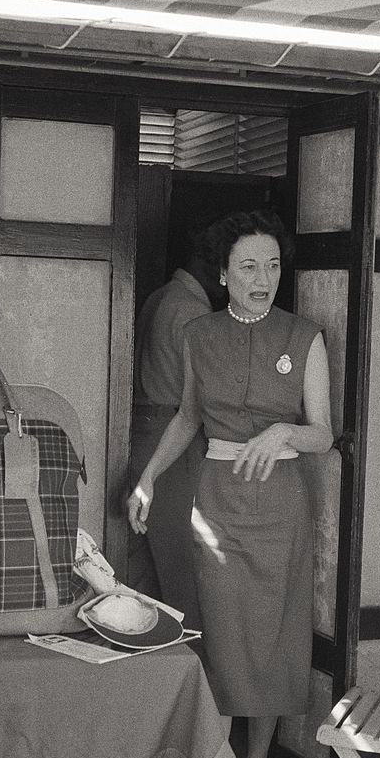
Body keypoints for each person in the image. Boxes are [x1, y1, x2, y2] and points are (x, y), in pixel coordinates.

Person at [127, 209, 333, 758]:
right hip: (215, 502)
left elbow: (324, 432)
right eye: (248, 266)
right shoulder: (199, 336)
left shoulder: (304, 336)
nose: (262, 277)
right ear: (224, 273)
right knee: (217, 637)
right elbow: (188, 418)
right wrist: (147, 480)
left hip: (280, 506)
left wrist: (284, 435)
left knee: (272, 638)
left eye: (272, 265)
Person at [128, 234, 226, 629]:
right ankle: (193, 668)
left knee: (149, 570)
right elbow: (201, 400)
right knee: (185, 568)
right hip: (174, 439)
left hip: (142, 430)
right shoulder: (191, 312)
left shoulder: (160, 297)